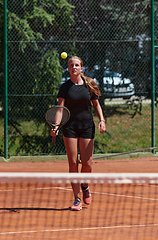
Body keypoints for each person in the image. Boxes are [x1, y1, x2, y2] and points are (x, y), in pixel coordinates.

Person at [51, 56, 106, 211]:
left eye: (76, 65)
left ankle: (85, 185)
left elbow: (96, 105)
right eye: (71, 65)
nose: (74, 67)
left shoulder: (90, 85)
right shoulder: (64, 87)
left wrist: (102, 120)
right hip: (70, 128)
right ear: (68, 69)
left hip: (87, 126)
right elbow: (60, 108)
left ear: (81, 68)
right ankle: (76, 198)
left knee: (87, 164)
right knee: (73, 163)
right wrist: (56, 126)